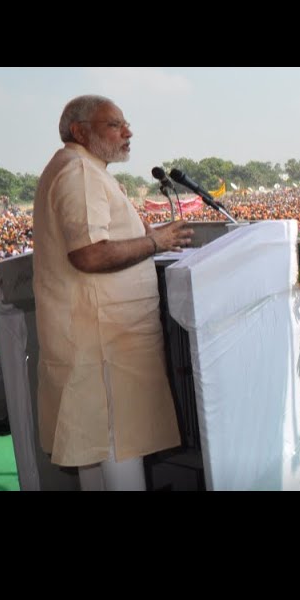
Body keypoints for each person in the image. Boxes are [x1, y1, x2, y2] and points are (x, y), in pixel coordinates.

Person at [32, 95, 194, 491]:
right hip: (102, 342)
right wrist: (155, 243)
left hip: (93, 339)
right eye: (114, 125)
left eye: (125, 123)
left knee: (94, 449)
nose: (128, 132)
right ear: (80, 131)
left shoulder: (76, 167)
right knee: (118, 446)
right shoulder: (80, 172)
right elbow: (89, 253)